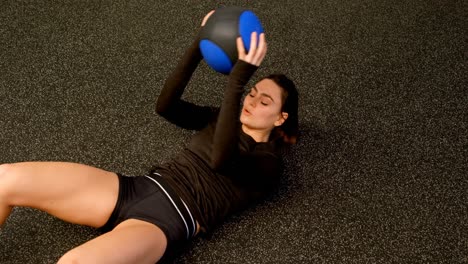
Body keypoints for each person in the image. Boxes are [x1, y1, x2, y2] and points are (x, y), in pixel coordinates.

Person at [0, 10, 299, 264]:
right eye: (252, 93)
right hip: (137, 188)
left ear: (280, 117)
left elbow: (222, 159)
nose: (250, 102)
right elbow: (166, 107)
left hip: (166, 222)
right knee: (6, 179)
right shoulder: (222, 118)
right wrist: (199, 43)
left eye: (264, 102)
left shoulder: (269, 163)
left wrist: (237, 82)